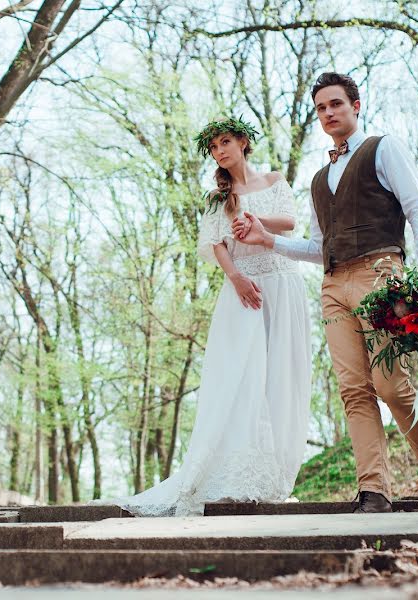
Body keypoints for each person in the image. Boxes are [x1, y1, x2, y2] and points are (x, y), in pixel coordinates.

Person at [234, 72, 418, 513]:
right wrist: (267, 239)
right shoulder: (319, 179)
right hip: (334, 284)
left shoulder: (382, 148)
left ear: (355, 104)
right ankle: (374, 490)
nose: (328, 113)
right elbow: (318, 247)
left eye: (335, 104)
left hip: (382, 275)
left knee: (390, 384)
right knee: (353, 389)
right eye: (320, 108)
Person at [105, 117, 312, 517]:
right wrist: (236, 278)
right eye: (214, 147)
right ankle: (236, 470)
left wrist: (256, 222)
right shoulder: (219, 198)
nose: (220, 151)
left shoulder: (274, 180)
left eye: (225, 142)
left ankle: (277, 473)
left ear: (243, 142)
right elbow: (214, 244)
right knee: (241, 377)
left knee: (281, 375)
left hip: (282, 283)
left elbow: (289, 222)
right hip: (245, 288)